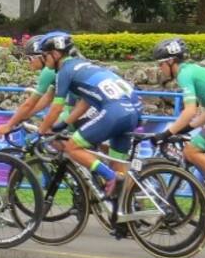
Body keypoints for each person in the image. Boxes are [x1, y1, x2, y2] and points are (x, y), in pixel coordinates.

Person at [34, 31, 142, 199]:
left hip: (115, 112)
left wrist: (42, 130)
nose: (44, 58)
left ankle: (108, 175)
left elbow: (56, 108)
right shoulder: (85, 65)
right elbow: (86, 101)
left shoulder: (64, 70)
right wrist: (64, 123)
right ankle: (126, 213)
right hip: (133, 111)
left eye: (45, 55)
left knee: (72, 147)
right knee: (119, 168)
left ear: (55, 54)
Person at [149, 38, 205, 193]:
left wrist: (166, 133)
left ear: (170, 61)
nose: (160, 68)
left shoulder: (184, 74)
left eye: (160, 64)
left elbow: (190, 111)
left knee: (191, 150)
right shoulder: (193, 70)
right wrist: (184, 129)